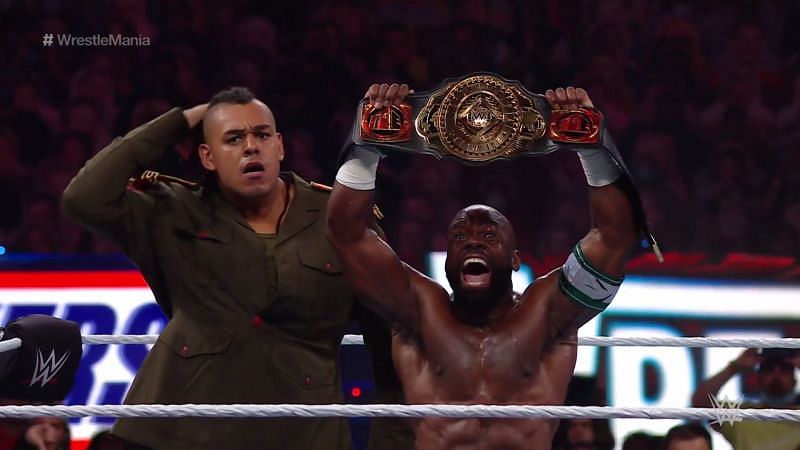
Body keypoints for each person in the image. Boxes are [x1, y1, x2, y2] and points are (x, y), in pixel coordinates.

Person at [63, 87, 412, 450]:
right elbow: (84, 198)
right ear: (207, 156)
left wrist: (391, 443)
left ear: (280, 146)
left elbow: (391, 350)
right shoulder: (171, 211)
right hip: (177, 432)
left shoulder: (342, 223)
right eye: (232, 138)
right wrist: (182, 120)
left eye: (261, 135)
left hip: (301, 435)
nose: (250, 146)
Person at [327, 84, 639, 449]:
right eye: (460, 237)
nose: (473, 240)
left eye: (490, 236)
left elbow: (615, 237)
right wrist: (367, 141)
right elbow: (346, 233)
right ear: (447, 261)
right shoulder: (417, 310)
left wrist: (593, 145)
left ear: (515, 259)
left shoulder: (548, 314)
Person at [691, 348, 800, 450]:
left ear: (795, 379)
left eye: (785, 369)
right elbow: (700, 403)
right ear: (759, 380)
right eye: (769, 369)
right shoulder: (742, 416)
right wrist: (733, 368)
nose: (776, 375)